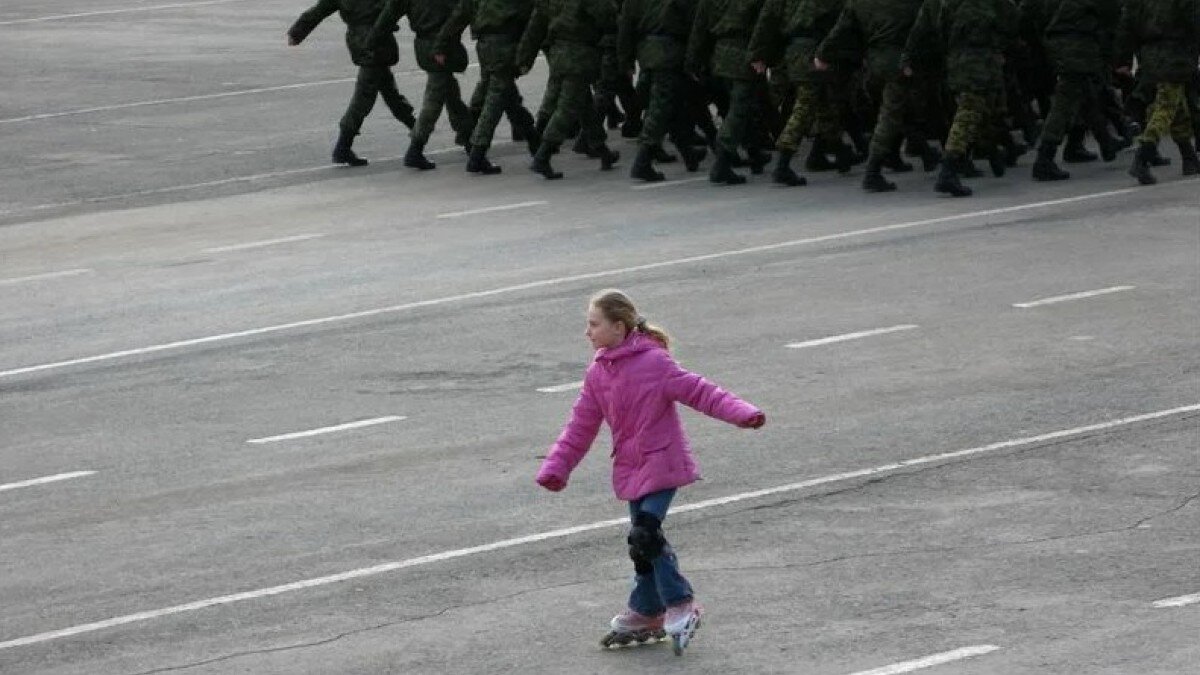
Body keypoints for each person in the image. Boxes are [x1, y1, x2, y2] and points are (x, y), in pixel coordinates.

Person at [535, 289, 766, 654]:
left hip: (663, 462)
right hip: (630, 468)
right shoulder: (599, 373)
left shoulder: (655, 363)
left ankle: (681, 603)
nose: (587, 332)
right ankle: (647, 610)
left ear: (618, 326)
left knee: (646, 533)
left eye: (594, 324)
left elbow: (702, 392)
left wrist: (744, 413)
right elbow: (579, 426)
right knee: (640, 548)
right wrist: (556, 468)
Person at [288, 0, 418, 167]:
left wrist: (297, 32)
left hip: (359, 39)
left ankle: (417, 130)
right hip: (376, 41)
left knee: (388, 91)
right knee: (364, 97)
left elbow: (319, 10)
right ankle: (343, 146)